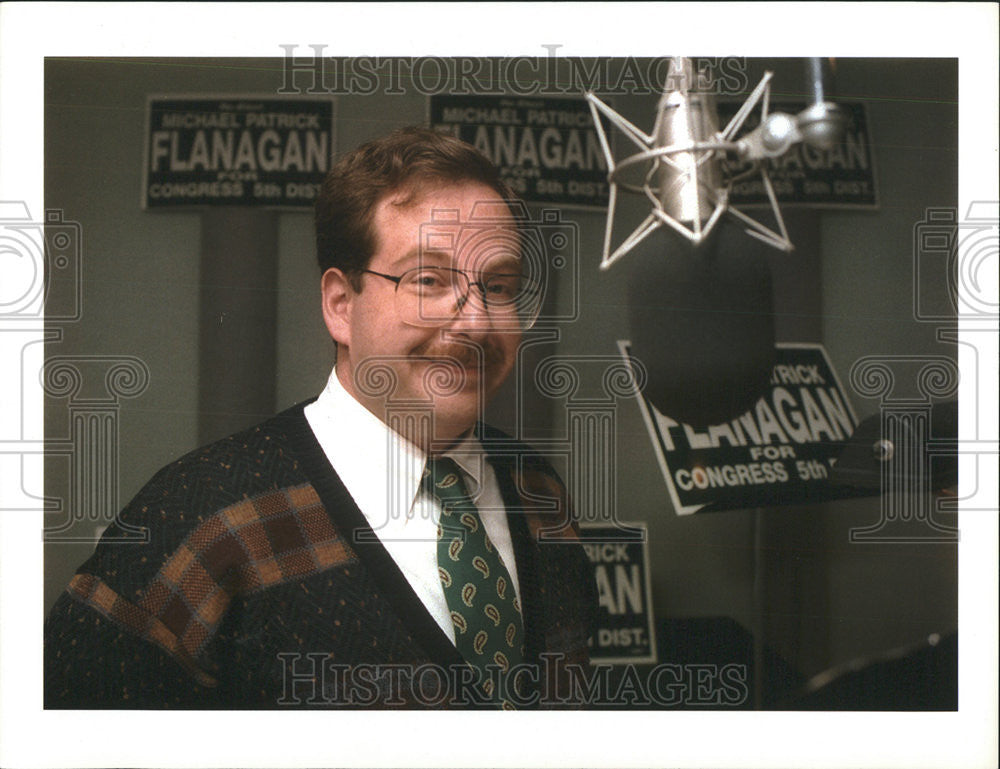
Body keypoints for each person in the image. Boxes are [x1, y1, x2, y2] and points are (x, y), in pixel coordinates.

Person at [44, 126, 597, 709]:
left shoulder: (539, 493)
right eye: (428, 280)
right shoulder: (198, 513)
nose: (476, 322)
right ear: (340, 304)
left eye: (499, 285)